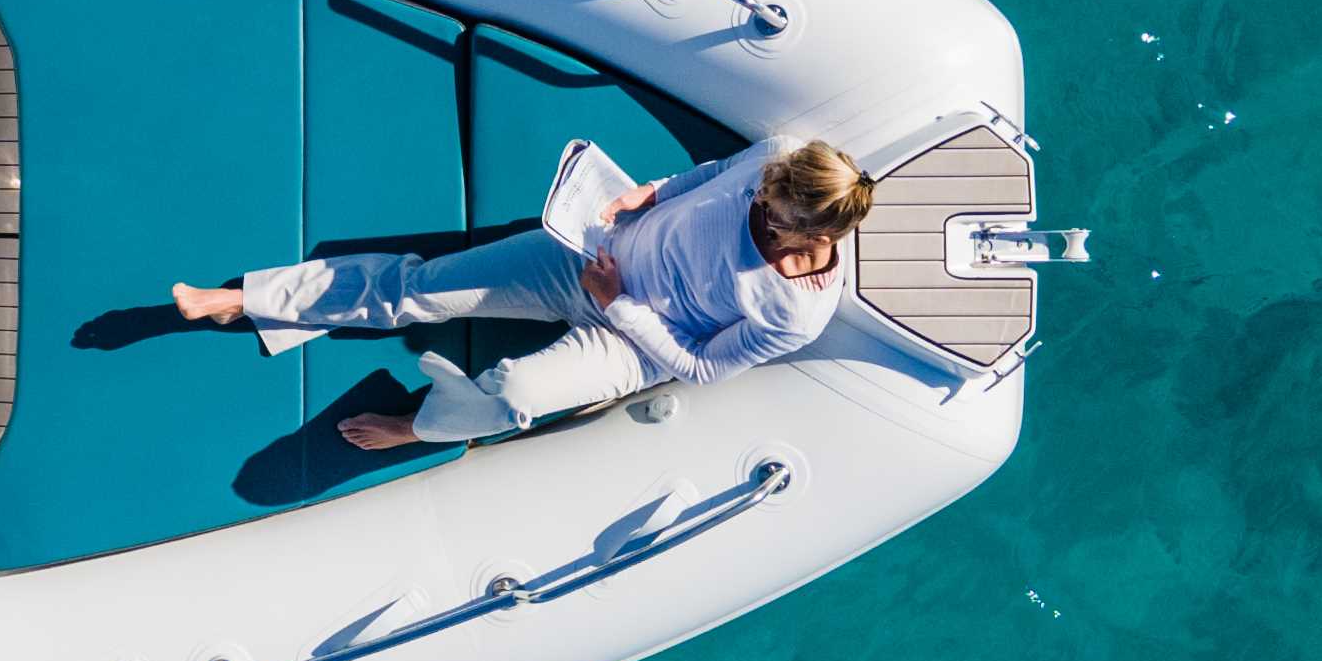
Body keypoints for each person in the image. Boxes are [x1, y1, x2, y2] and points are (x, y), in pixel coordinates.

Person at [171, 138, 874, 449]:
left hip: (633, 339)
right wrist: (648, 193)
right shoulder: (779, 157)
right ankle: (253, 300)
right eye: (763, 189)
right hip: (592, 254)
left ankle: (419, 427)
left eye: (770, 212)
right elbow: (713, 173)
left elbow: (702, 368)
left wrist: (619, 304)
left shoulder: (795, 311)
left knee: (513, 394)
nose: (758, 202)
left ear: (807, 233)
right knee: (418, 290)